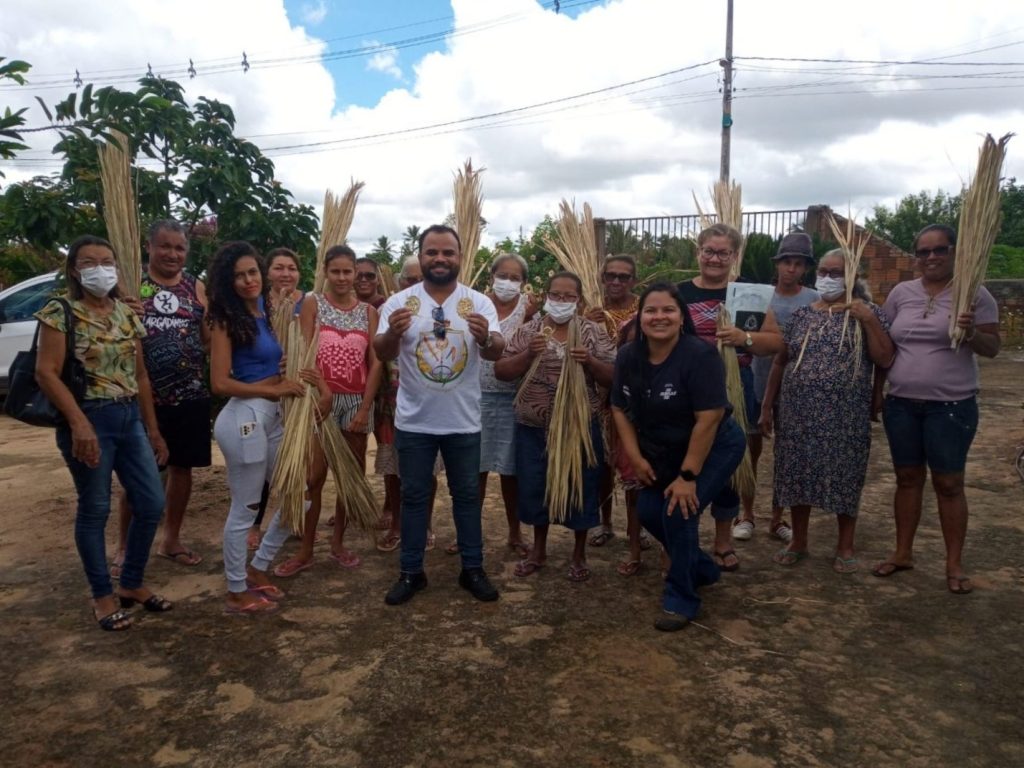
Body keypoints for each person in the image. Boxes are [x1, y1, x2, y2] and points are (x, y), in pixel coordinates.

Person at [34, 235, 171, 631]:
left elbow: (141, 375)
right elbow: (46, 372)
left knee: (150, 502)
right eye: (90, 261)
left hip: (129, 417)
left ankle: (131, 583)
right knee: (95, 508)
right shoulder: (61, 312)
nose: (100, 268)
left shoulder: (126, 314)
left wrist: (153, 429)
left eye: (106, 261)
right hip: (89, 417)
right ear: (75, 269)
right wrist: (78, 423)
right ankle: (102, 595)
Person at [374, 224, 505, 605]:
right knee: (414, 497)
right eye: (432, 252)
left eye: (448, 252)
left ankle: (473, 569)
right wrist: (394, 334)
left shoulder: (478, 303)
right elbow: (381, 352)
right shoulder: (400, 303)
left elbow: (496, 352)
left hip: (463, 421)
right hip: (414, 421)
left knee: (466, 497)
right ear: (421, 255)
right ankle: (411, 572)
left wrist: (485, 338)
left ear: (460, 258)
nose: (440, 259)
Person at [611, 283, 747, 631]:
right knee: (647, 511)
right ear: (639, 318)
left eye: (668, 310)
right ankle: (702, 568)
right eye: (651, 311)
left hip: (714, 446)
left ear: (681, 316)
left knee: (677, 511)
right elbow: (619, 408)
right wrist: (636, 457)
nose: (659, 317)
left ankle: (681, 597)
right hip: (661, 449)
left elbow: (710, 417)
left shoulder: (699, 355)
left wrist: (687, 478)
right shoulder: (628, 356)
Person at [873, 224, 1001, 594]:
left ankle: (954, 564)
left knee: (949, 483)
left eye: (939, 250)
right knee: (907, 478)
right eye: (924, 251)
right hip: (901, 404)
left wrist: (972, 331)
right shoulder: (901, 293)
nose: (931, 257)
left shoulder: (973, 294)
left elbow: (993, 348)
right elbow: (884, 348)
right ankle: (902, 553)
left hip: (951, 406)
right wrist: (877, 393)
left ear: (954, 253)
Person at [762, 249, 894, 571]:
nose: (827, 279)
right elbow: (781, 361)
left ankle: (845, 546)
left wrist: (868, 320)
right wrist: (767, 405)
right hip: (797, 412)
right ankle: (799, 541)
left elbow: (884, 359)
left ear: (852, 277)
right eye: (823, 271)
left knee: (846, 475)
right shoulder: (802, 315)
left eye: (836, 273)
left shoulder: (869, 313)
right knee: (797, 473)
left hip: (846, 414)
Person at [207, 241, 320, 613]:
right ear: (228, 281)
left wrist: (289, 371)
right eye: (238, 275)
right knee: (246, 507)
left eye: (252, 271)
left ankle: (257, 567)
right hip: (245, 419)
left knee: (297, 495)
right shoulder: (226, 319)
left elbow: (270, 365)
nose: (247, 280)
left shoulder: (265, 315)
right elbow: (220, 383)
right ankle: (236, 589)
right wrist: (273, 388)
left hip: (270, 415)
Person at [676, 224, 783, 570]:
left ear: (735, 256)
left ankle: (722, 541)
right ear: (698, 252)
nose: (715, 258)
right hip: (685, 392)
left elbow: (776, 342)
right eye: (709, 250)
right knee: (683, 463)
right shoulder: (679, 294)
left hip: (734, 388)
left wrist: (744, 337)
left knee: (728, 466)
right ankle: (681, 540)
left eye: (723, 252)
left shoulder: (748, 296)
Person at [496, 271, 615, 581]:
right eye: (556, 295)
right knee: (535, 486)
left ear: (579, 300)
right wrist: (528, 353)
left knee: (581, 486)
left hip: (578, 427)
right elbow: (502, 371)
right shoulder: (528, 332)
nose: (561, 301)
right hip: (534, 426)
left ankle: (579, 553)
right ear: (545, 296)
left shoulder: (592, 332)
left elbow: (613, 376)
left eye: (568, 296)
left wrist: (589, 361)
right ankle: (538, 549)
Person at [273, 245, 383, 576]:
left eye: (347, 271)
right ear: (325, 272)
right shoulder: (312, 303)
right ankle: (306, 550)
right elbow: (304, 353)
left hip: (355, 402)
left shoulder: (368, 313)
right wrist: (322, 391)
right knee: (313, 478)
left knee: (350, 478)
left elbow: (376, 363)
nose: (342, 277)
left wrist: (365, 407)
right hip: (318, 400)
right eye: (335, 271)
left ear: (355, 273)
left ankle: (337, 544)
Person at [113, 220, 210, 575]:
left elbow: (208, 337)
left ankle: (171, 539)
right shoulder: (129, 285)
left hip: (190, 393)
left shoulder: (195, 286)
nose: (172, 254)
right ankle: (124, 545)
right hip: (141, 396)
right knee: (138, 473)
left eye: (179, 248)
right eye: (165, 246)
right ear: (149, 247)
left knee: (182, 468)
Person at [458, 251, 537, 558]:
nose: (507, 282)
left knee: (510, 472)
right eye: (502, 276)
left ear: (524, 283)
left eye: (515, 277)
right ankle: (469, 532)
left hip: (512, 398)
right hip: (472, 396)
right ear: (491, 276)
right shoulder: (474, 304)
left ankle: (515, 533)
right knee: (472, 471)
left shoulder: (529, 311)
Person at [752, 233, 819, 544]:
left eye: (798, 264)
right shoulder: (759, 296)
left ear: (805, 268)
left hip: (796, 388)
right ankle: (746, 514)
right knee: (749, 450)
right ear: (777, 265)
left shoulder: (814, 300)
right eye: (786, 263)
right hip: (756, 380)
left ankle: (777, 518)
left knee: (786, 454)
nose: (791, 269)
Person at [374, 257, 441, 553]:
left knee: (427, 472)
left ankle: (425, 524)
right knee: (394, 470)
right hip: (392, 404)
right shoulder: (387, 309)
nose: (413, 285)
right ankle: (398, 524)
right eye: (408, 280)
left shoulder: (441, 312)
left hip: (430, 406)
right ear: (399, 282)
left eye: (419, 279)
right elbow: (377, 356)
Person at [249, 247, 306, 549]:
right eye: (279, 267)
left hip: (297, 391)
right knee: (260, 464)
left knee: (293, 459)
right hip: (265, 390)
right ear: (267, 272)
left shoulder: (307, 303)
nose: (286, 274)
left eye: (292, 268)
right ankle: (254, 524)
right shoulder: (256, 305)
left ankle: (293, 516)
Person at [587, 254, 641, 553]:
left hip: (635, 400)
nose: (616, 282)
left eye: (624, 276)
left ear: (634, 280)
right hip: (599, 397)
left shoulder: (643, 309)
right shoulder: (591, 309)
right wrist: (585, 323)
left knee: (635, 463)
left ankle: (638, 526)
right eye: (611, 276)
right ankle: (604, 522)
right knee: (603, 463)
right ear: (602, 278)